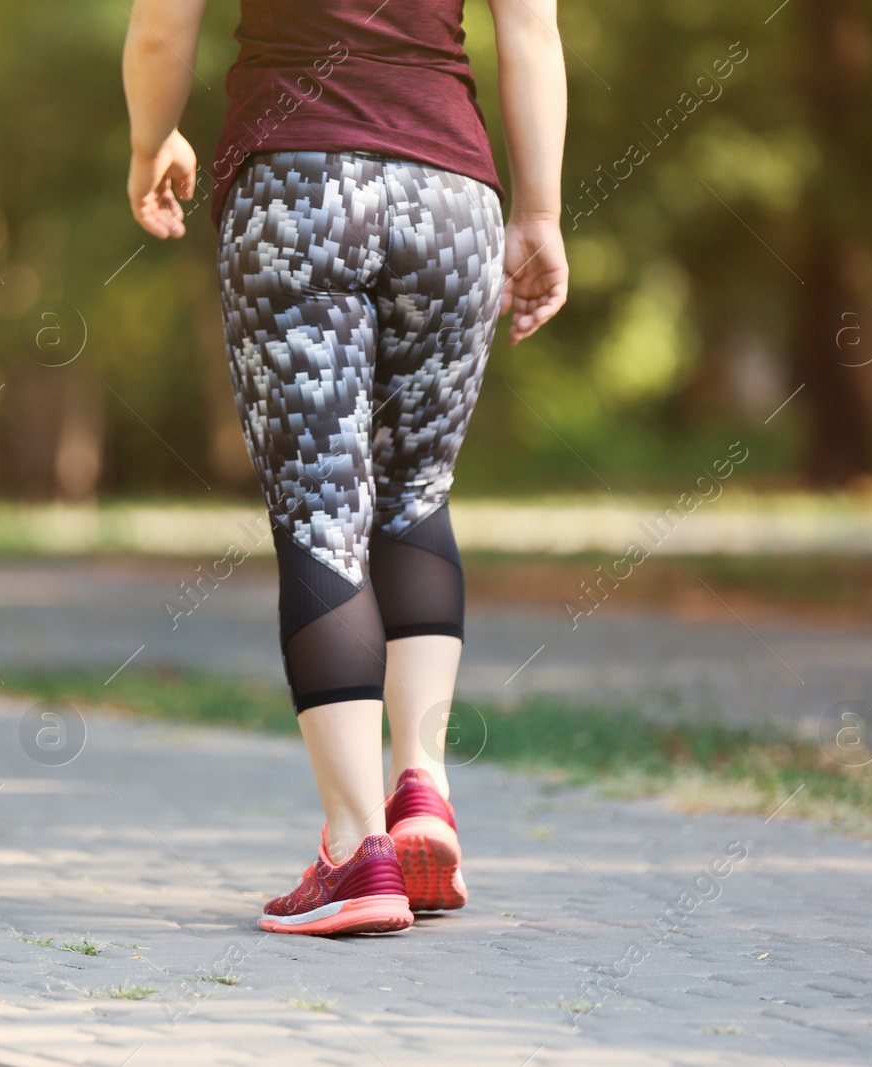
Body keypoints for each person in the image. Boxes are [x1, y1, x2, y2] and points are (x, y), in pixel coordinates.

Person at [122, 0, 568, 935]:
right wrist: (539, 212)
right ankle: (422, 790)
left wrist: (150, 137)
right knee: (416, 495)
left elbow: (165, 23)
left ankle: (356, 848)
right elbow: (530, 30)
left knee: (323, 516)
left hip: (297, 188)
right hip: (452, 200)